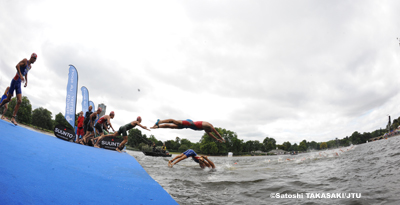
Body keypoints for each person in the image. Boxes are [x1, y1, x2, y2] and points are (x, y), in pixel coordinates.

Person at [0, 53, 37, 125]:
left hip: (19, 82)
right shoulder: (25, 61)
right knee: (8, 99)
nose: (35, 61)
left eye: (35, 59)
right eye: (34, 59)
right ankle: (0, 105)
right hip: (15, 80)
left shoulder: (30, 66)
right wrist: (20, 74)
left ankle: (13, 117)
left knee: (19, 101)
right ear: (31, 57)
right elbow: (17, 65)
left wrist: (26, 81)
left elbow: (26, 73)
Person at [151, 119, 226, 143]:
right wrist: (222, 138)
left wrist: (216, 139)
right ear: (210, 129)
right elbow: (216, 132)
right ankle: (160, 121)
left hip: (187, 126)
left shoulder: (206, 129)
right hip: (189, 123)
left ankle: (157, 127)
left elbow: (210, 135)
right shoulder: (208, 125)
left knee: (172, 127)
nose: (208, 131)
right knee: (174, 122)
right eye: (209, 131)